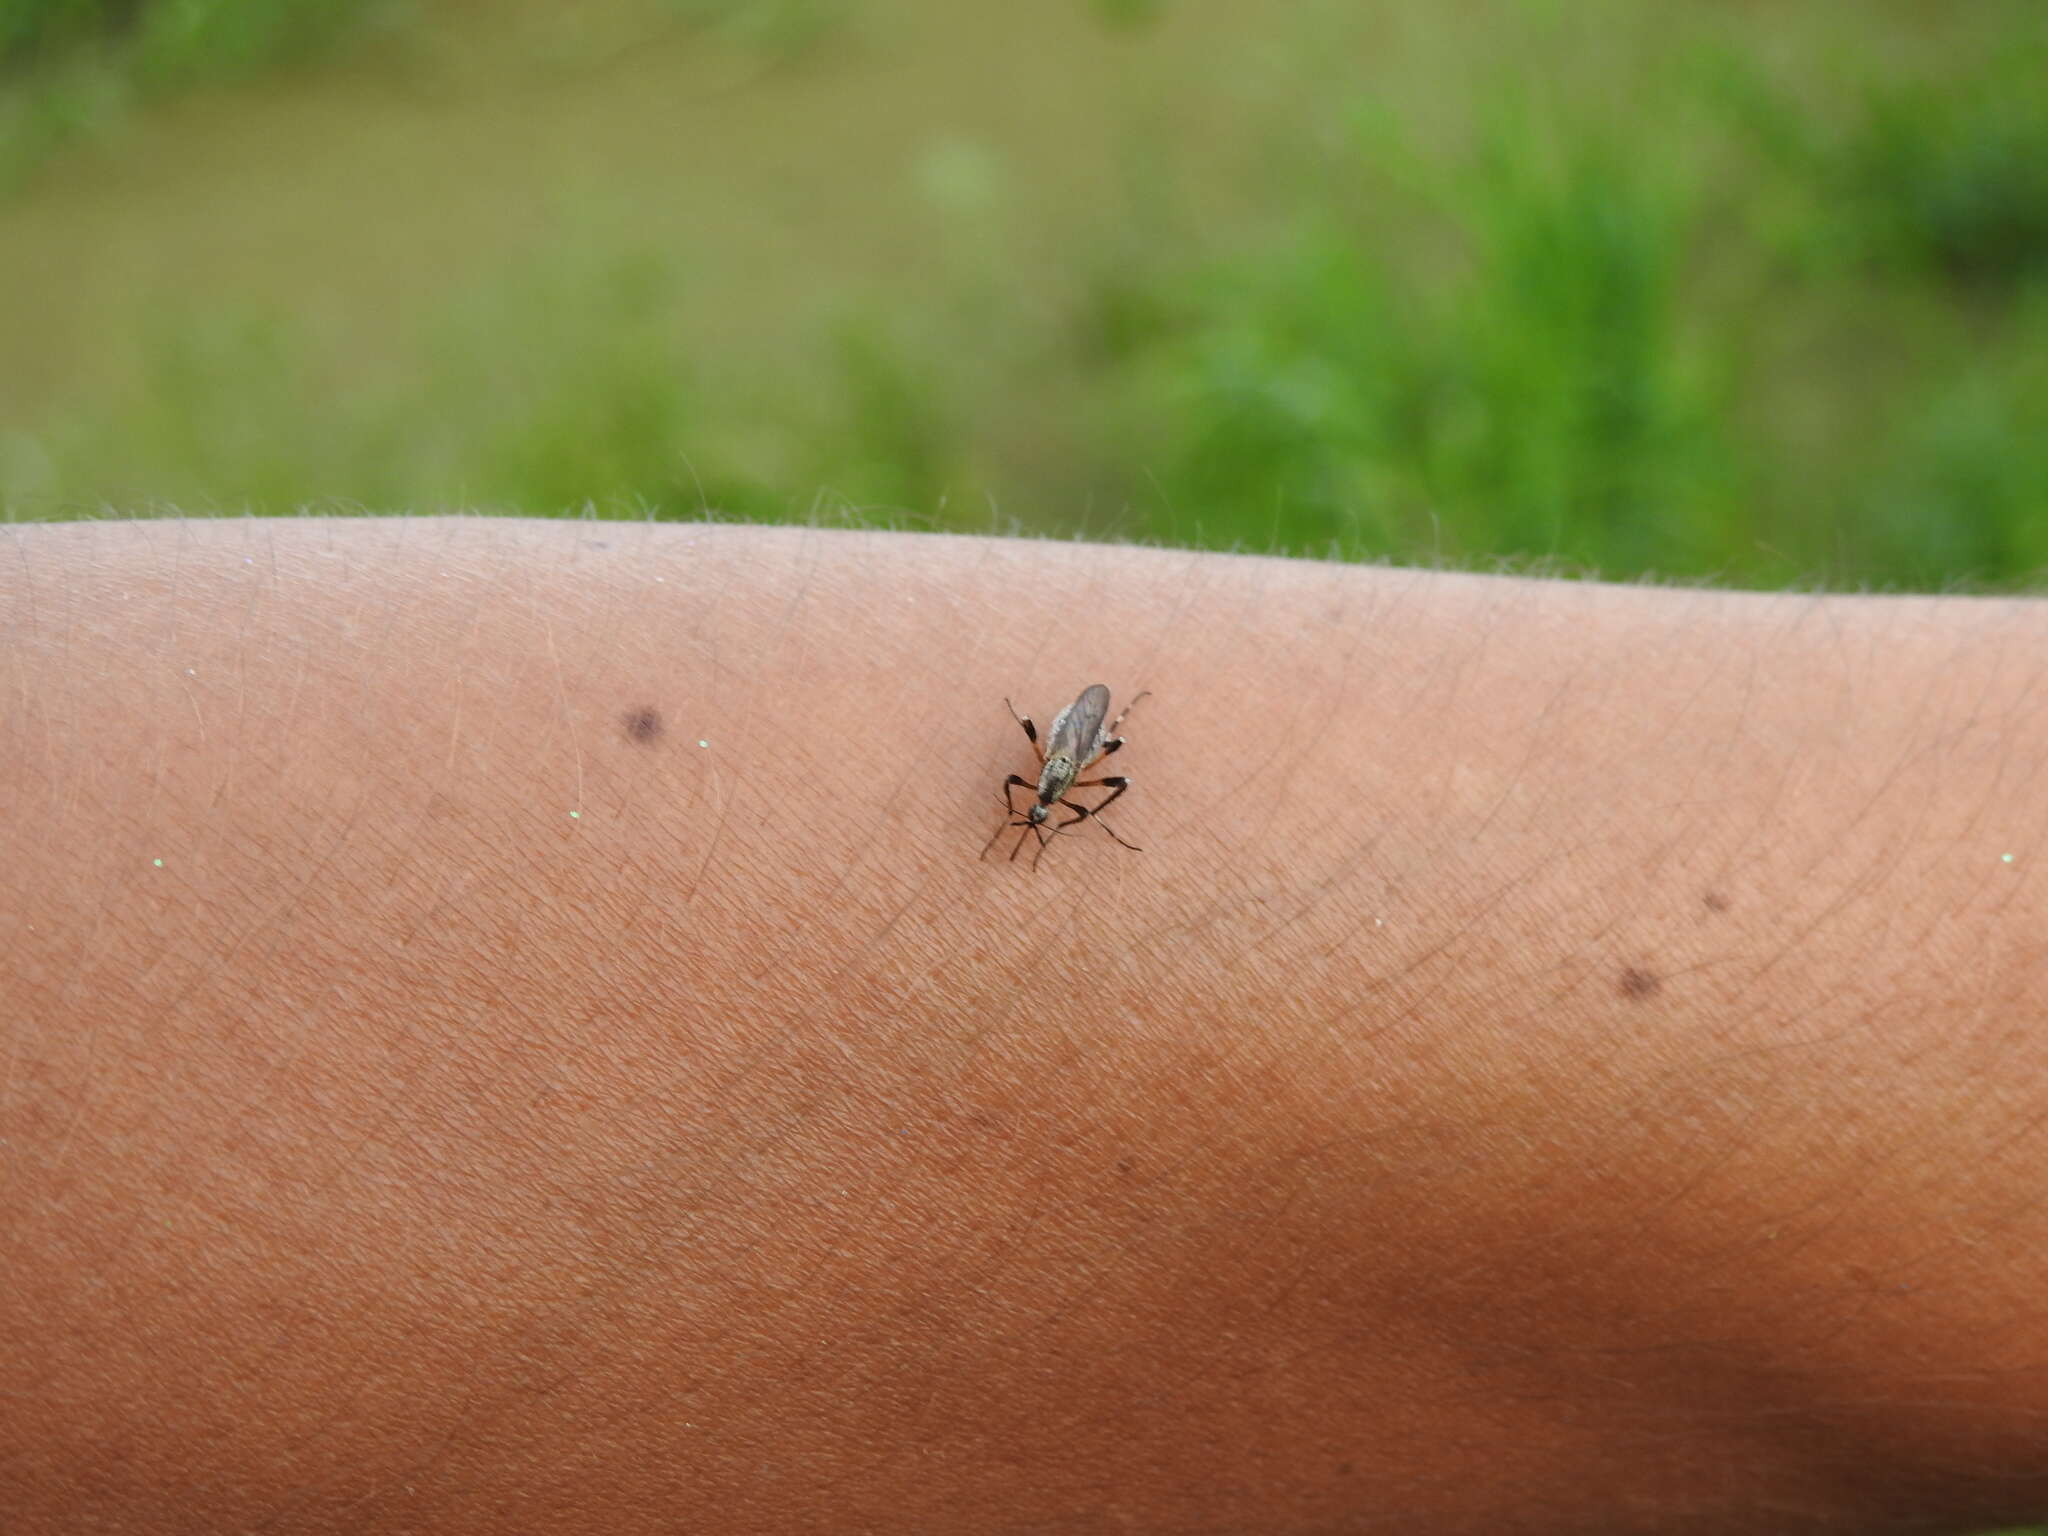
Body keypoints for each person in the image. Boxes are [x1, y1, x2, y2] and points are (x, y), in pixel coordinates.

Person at [4, 514, 2044, 1534]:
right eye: (1048, 787)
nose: (1049, 793)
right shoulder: (1029, 784)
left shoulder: (1079, 779)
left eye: (1058, 790)